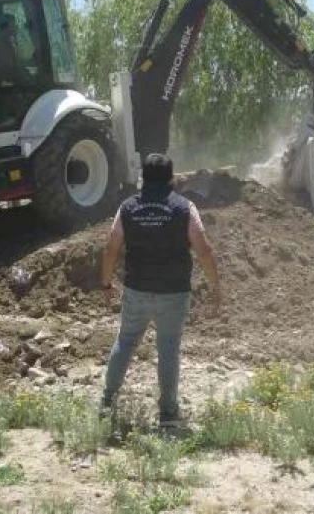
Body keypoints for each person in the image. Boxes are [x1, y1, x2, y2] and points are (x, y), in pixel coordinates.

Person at [98, 153, 222, 432]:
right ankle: (167, 414)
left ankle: (107, 401)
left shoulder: (127, 207)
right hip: (173, 292)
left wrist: (105, 284)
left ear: (143, 177)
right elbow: (204, 249)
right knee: (168, 348)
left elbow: (110, 247)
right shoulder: (184, 207)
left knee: (126, 340)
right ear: (171, 178)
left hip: (137, 288)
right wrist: (215, 287)